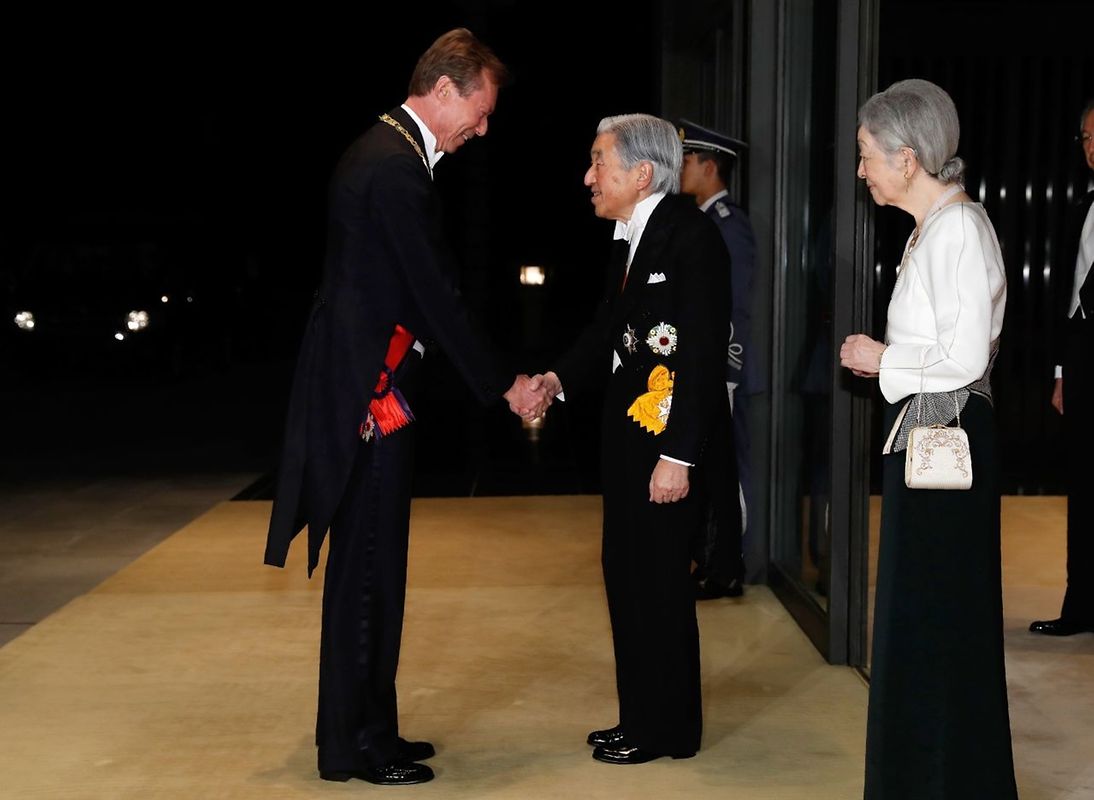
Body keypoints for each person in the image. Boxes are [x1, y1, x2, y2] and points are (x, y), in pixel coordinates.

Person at [262, 28, 546, 787]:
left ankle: (370, 728)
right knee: (369, 573)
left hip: (369, 386)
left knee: (374, 567)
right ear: (445, 89)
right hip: (372, 399)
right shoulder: (394, 167)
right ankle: (358, 747)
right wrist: (504, 385)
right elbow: (436, 295)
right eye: (480, 112)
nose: (482, 129)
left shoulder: (387, 153)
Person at [533, 113, 733, 765]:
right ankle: (638, 716)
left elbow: (700, 355)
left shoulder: (692, 237)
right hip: (627, 440)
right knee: (625, 576)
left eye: (600, 162)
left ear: (642, 173)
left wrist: (678, 456)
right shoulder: (631, 237)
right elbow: (607, 331)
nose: (588, 177)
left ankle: (668, 730)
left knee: (660, 585)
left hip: (665, 445)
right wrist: (556, 380)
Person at [839, 79, 1018, 799]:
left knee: (939, 618)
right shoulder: (934, 229)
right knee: (926, 618)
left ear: (907, 158)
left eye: (866, 153)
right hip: (933, 436)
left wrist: (883, 358)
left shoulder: (960, 230)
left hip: (951, 442)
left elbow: (966, 358)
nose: (861, 170)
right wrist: (892, 362)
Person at [677, 118, 754, 600]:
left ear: (710, 167)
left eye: (688, 160)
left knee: (723, 474)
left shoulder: (729, 225)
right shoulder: (705, 221)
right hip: (706, 368)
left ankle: (725, 566)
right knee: (709, 469)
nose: (681, 168)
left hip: (723, 370)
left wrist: (730, 368)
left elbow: (738, 306)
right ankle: (712, 562)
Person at [1030, 99, 1094, 637]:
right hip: (1080, 356)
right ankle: (1080, 607)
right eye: (1087, 138)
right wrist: (1060, 372)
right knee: (1083, 484)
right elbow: (1066, 294)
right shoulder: (1080, 207)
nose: (1092, 148)